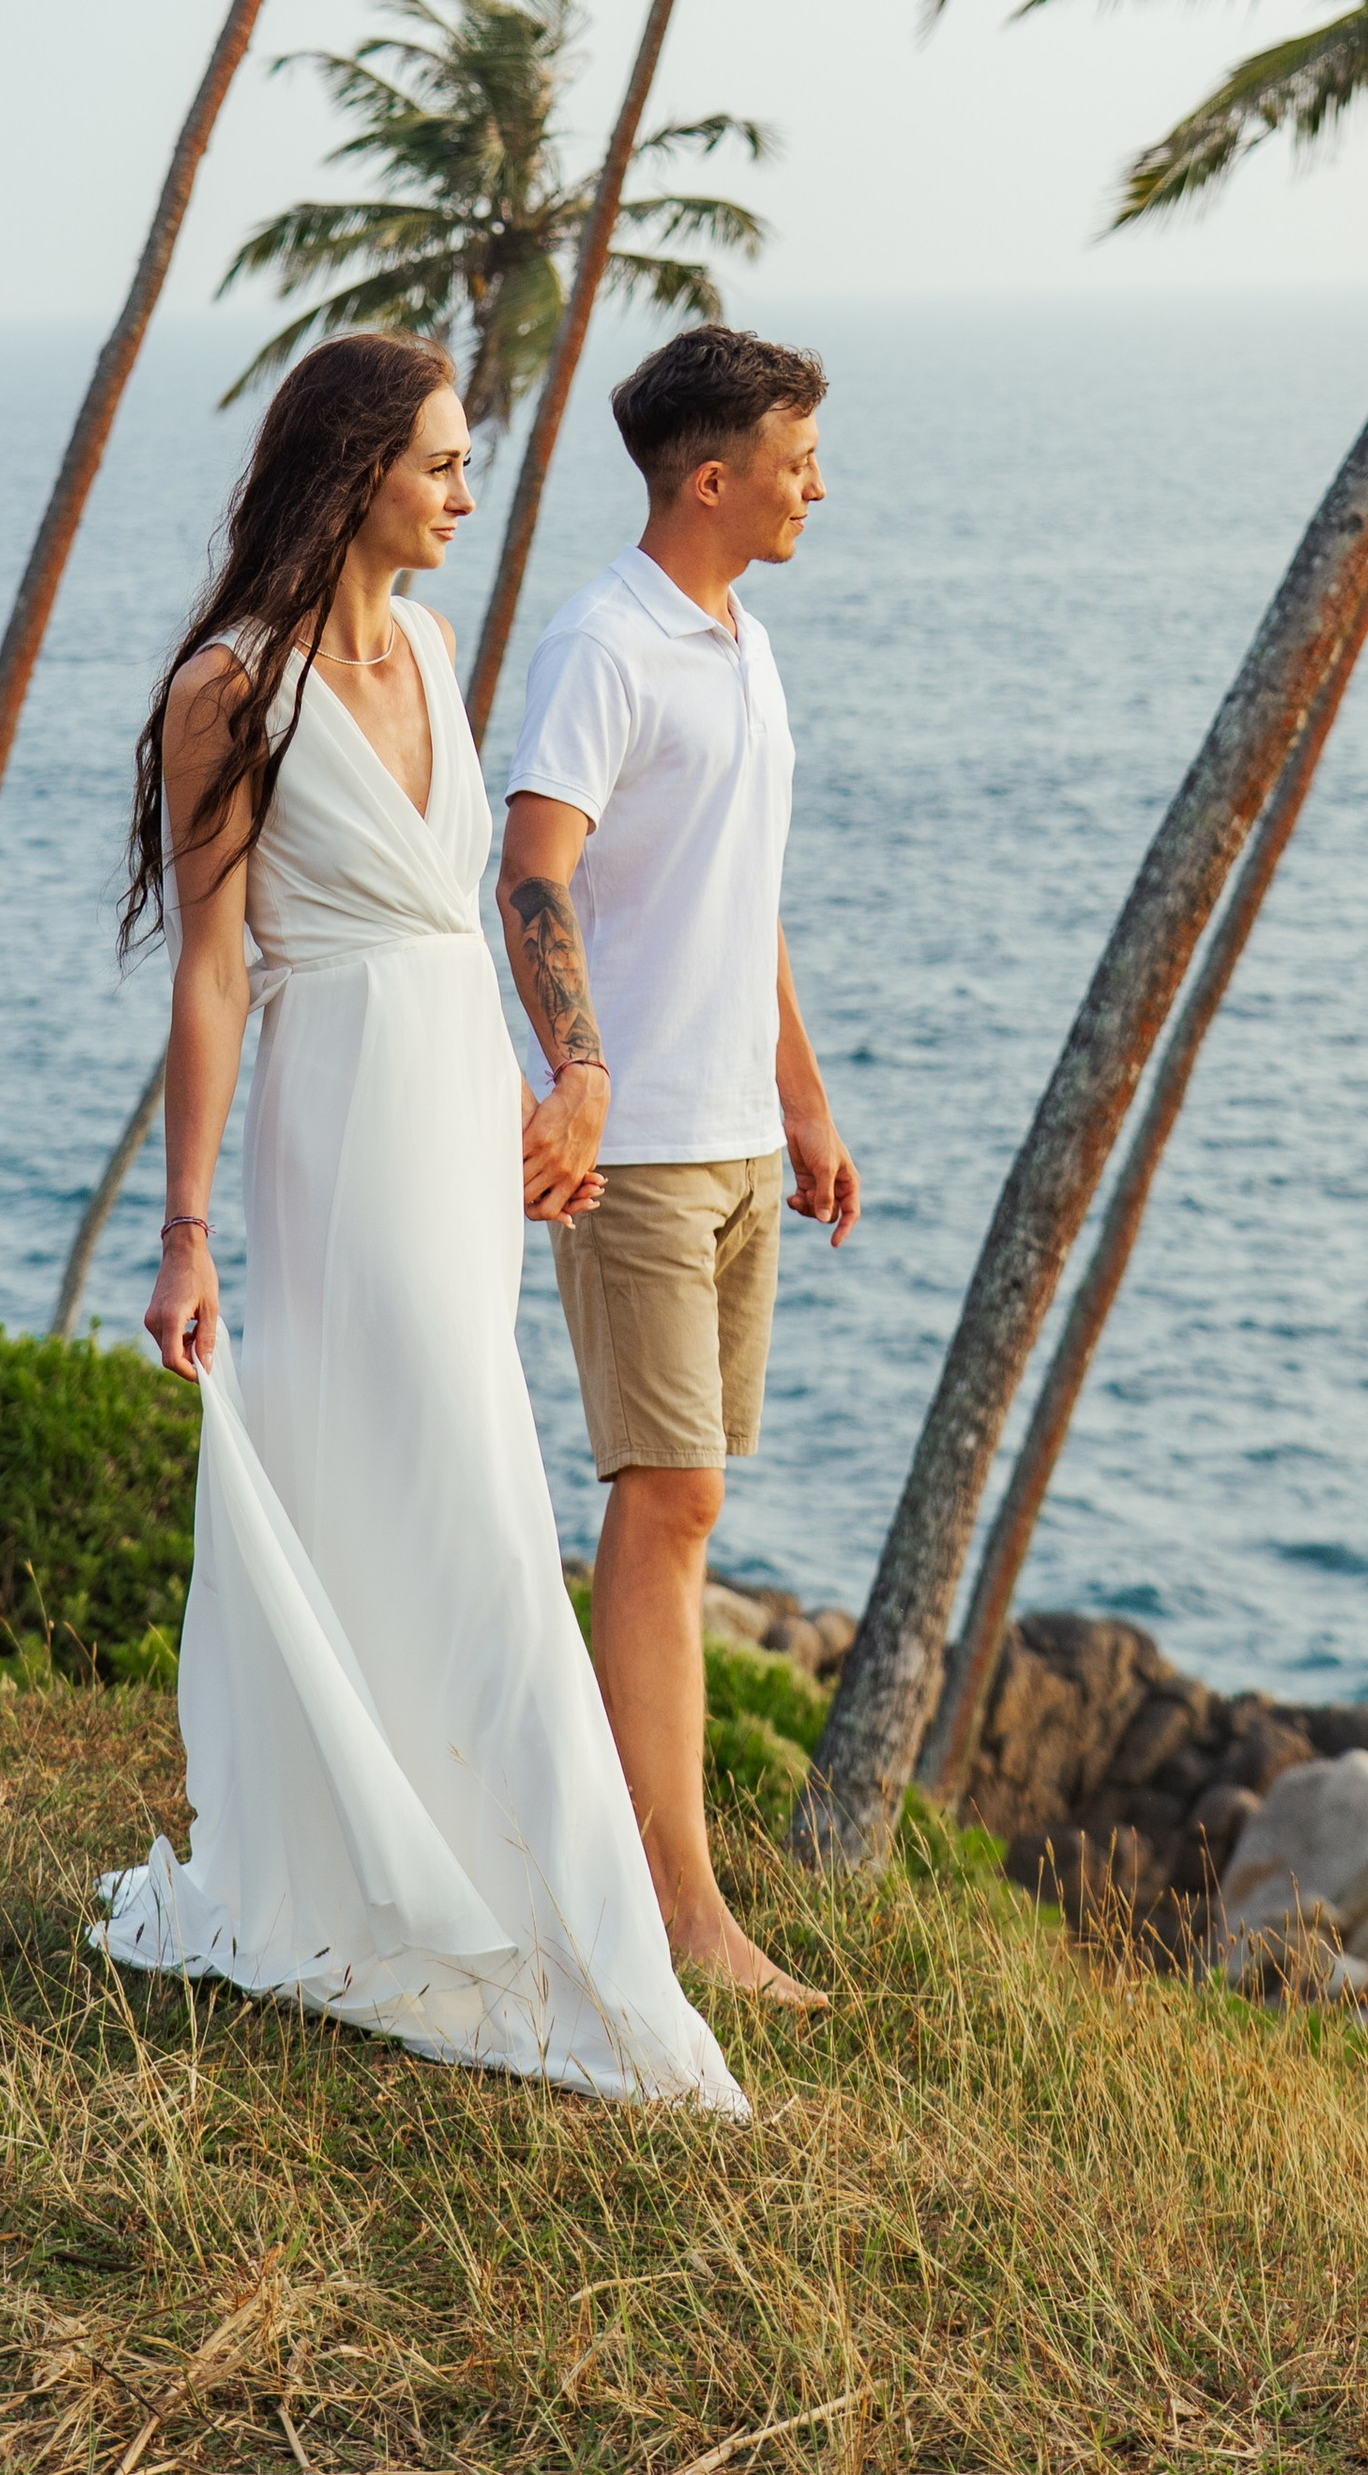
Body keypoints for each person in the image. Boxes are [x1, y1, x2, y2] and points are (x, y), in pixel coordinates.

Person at [97, 332, 743, 2115]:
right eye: (442, 462)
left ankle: (449, 1863)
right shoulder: (229, 688)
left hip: (457, 1092)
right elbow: (216, 970)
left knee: (434, 1462)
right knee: (454, 1470)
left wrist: (555, 1087)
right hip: (338, 1109)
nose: (468, 491)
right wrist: (184, 1227)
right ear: (353, 469)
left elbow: (476, 908)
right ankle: (567, 1924)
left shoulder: (439, 649)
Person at [499, 327, 858, 2010]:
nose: (816, 485)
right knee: (669, 1502)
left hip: (729, 1135)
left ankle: (630, 1862)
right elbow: (533, 872)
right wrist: (579, 1071)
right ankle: (678, 1903)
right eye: (796, 459)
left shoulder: (743, 643)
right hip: (635, 1147)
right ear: (711, 479)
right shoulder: (604, 644)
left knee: (687, 1506)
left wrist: (802, 1094)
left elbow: (740, 888)